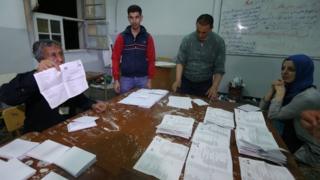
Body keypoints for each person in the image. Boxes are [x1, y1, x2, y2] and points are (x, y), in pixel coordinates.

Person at [0, 40, 106, 133]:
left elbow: (77, 97)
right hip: (41, 134)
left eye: (61, 54)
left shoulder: (64, 74)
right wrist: (36, 74)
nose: (60, 59)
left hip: (68, 128)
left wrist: (92, 104)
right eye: (53, 55)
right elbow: (7, 96)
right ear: (41, 59)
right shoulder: (32, 78)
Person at [172, 14, 226, 100]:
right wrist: (178, 80)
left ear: (211, 28)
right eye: (198, 31)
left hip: (205, 84)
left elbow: (219, 68)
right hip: (186, 81)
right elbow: (180, 61)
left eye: (204, 32)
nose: (200, 35)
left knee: (202, 109)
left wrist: (215, 87)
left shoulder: (218, 42)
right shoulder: (187, 39)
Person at [112, 4, 155, 94]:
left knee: (144, 105)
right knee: (124, 106)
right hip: (126, 79)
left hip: (143, 79)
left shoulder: (147, 37)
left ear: (141, 18)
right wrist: (116, 79)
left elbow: (152, 59)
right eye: (131, 18)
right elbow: (115, 58)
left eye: (137, 17)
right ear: (128, 18)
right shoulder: (121, 37)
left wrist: (150, 79)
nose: (134, 21)